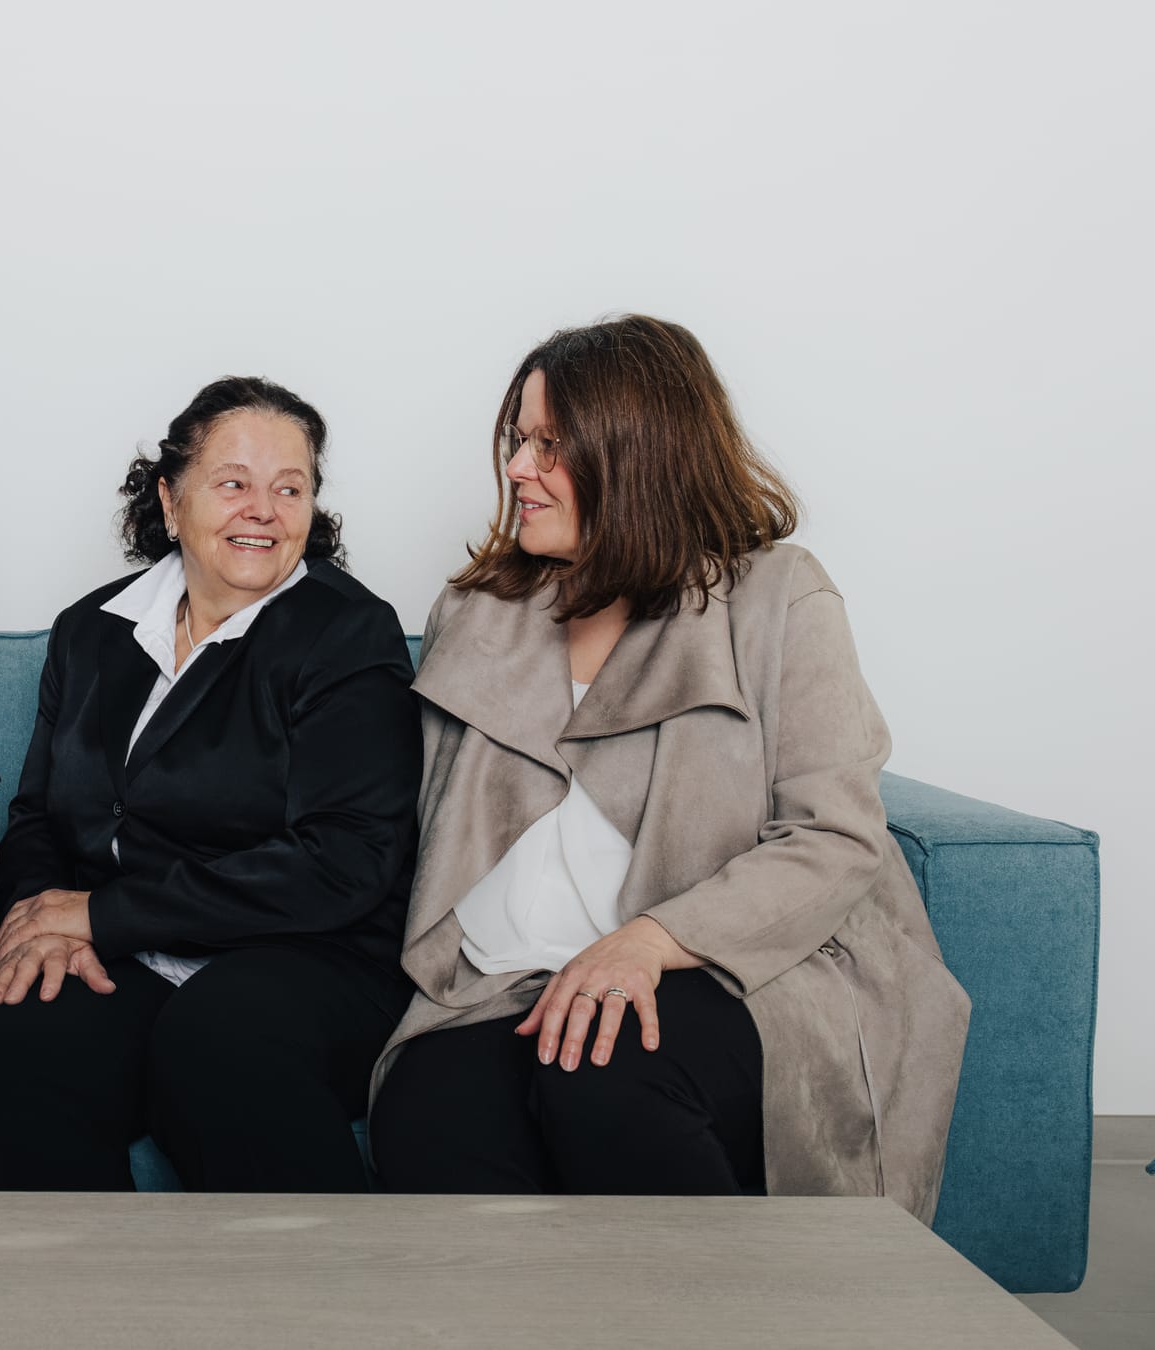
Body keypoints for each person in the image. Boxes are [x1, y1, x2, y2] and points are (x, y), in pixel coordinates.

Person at [368, 315, 969, 1217]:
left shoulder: (779, 597)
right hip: (505, 981)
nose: (517, 469)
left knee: (606, 1071)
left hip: (733, 970)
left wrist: (649, 943)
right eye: (517, 441)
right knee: (427, 1108)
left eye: (549, 445)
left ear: (636, 454)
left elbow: (835, 837)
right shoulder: (479, 609)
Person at [0, 376, 421, 1193]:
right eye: (234, 483)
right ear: (170, 502)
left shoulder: (348, 633)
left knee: (218, 1041)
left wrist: (101, 913)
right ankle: (83, 1311)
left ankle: (329, 1314)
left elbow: (343, 862)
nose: (264, 510)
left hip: (306, 955)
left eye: (291, 488)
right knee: (18, 1034)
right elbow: (36, 820)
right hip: (128, 956)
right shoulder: (90, 632)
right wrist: (46, 924)